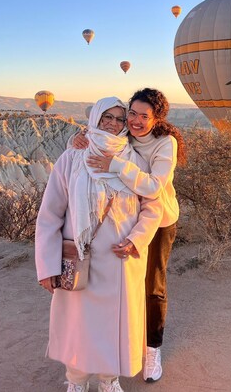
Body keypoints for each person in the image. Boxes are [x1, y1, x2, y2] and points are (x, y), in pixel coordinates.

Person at [35, 97, 162, 392]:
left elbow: (152, 207)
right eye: (107, 116)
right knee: (79, 324)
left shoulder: (133, 161)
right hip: (81, 259)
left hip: (121, 259)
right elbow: (50, 214)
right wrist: (46, 265)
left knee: (114, 326)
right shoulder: (72, 158)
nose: (113, 123)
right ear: (95, 118)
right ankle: (76, 381)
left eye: (119, 119)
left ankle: (109, 380)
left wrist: (136, 239)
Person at [71, 88, 186, 383]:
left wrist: (115, 165)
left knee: (152, 285)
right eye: (131, 113)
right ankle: (122, 347)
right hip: (127, 221)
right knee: (127, 288)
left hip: (159, 222)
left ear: (157, 118)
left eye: (143, 116)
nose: (134, 121)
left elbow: (151, 188)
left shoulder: (165, 143)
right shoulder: (126, 136)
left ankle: (152, 349)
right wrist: (77, 140)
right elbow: (101, 135)